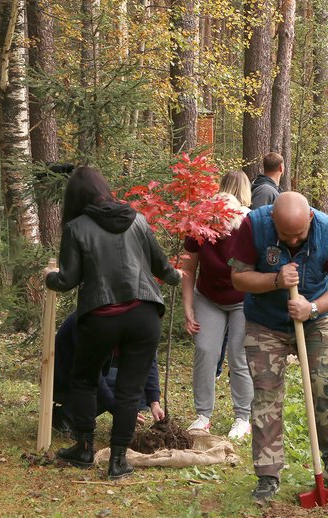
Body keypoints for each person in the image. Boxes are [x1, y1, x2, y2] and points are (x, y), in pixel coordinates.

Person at [45, 166, 182, 480]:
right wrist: (177, 276)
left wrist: (48, 279)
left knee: (84, 379)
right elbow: (163, 267)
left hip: (102, 317)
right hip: (144, 315)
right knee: (129, 390)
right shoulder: (138, 219)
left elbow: (67, 280)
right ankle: (118, 462)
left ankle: (83, 448)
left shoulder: (77, 227)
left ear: (75, 198)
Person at [229, 192, 328, 501]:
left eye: (299, 234)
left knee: (325, 386)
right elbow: (238, 279)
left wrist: (311, 308)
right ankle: (267, 476)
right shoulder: (254, 225)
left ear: (310, 218)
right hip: (265, 322)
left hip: (313, 318)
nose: (294, 240)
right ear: (273, 219)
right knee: (267, 395)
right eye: (286, 235)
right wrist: (275, 280)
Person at [181, 170, 254, 439]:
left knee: (238, 355)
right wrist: (188, 307)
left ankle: (242, 417)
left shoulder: (249, 224)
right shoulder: (200, 222)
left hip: (242, 299)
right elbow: (188, 267)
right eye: (217, 224)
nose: (221, 229)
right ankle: (203, 415)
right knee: (205, 350)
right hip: (208, 297)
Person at [53, 313, 164, 437]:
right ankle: (66, 415)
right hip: (64, 379)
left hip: (90, 374)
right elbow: (92, 374)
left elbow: (147, 360)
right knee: (121, 387)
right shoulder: (90, 320)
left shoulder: (136, 320)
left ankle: (124, 423)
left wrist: (155, 402)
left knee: (137, 383)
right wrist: (118, 410)